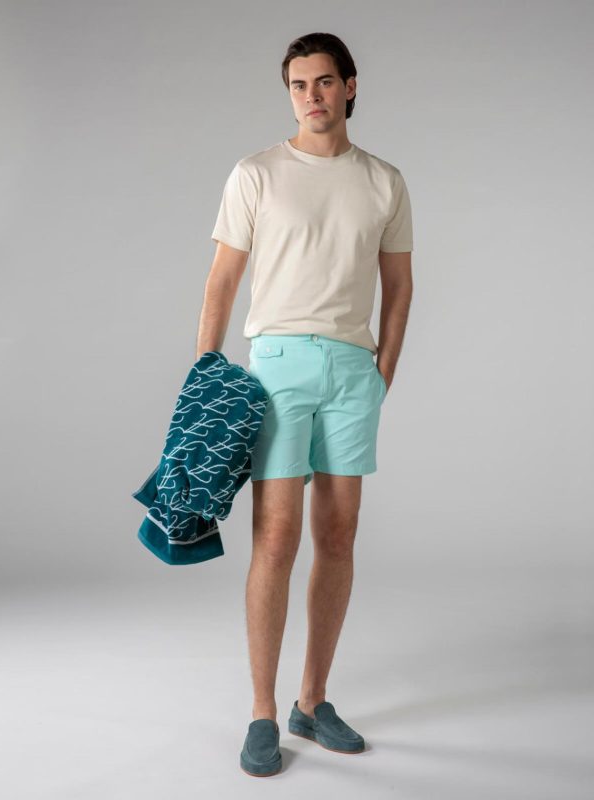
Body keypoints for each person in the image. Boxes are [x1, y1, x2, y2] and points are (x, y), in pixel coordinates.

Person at [196, 31, 413, 777]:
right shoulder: (257, 173)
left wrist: (382, 372)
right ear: (288, 93)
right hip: (279, 365)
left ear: (349, 86)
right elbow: (223, 279)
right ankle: (263, 711)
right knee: (276, 536)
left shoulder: (383, 181)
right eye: (298, 85)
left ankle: (311, 701)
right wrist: (205, 371)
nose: (311, 96)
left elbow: (399, 286)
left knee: (340, 535)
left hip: (353, 371)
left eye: (324, 82)